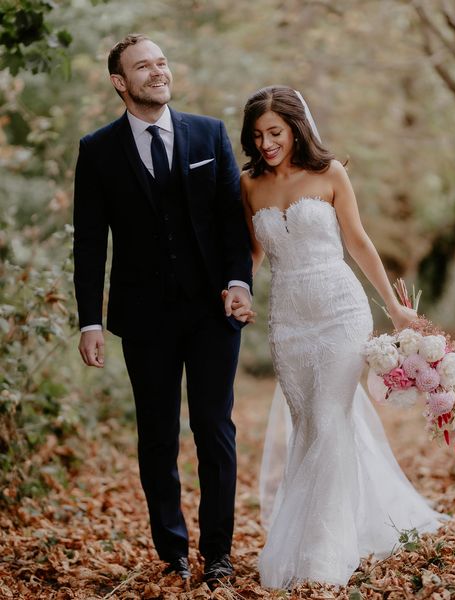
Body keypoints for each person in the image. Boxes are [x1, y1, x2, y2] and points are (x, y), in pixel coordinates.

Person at [238, 86, 446, 589]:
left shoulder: (331, 174)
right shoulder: (248, 185)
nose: (267, 143)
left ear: (295, 128)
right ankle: (356, 521)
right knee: (309, 425)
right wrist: (239, 291)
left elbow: (357, 240)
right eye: (258, 135)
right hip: (288, 320)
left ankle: (320, 555)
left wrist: (392, 306)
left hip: (340, 312)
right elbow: (253, 255)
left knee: (330, 419)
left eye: (275, 133)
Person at [73, 33, 253, 586]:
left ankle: (218, 553)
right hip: (144, 317)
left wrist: (238, 282)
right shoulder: (97, 149)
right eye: (142, 67)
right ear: (119, 83)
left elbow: (230, 220)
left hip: (211, 312)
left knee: (214, 431)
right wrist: (90, 319)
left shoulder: (208, 133)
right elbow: (89, 241)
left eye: (161, 62)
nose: (157, 72)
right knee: (156, 436)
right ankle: (173, 551)